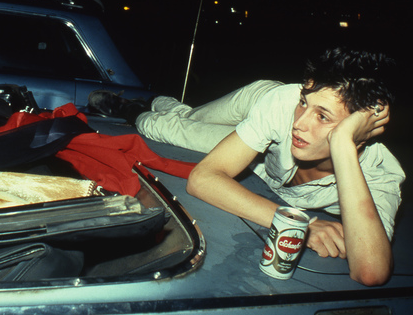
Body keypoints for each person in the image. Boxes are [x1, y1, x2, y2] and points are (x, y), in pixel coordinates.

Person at [137, 48, 405, 286]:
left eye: (322, 116)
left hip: (260, 155)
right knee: (175, 124)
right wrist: (303, 226)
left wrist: (345, 144)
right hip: (261, 100)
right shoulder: (284, 105)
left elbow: (371, 272)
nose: (299, 122)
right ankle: (146, 103)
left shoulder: (379, 172)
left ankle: (151, 109)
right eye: (304, 102)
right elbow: (202, 179)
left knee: (176, 129)